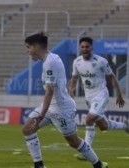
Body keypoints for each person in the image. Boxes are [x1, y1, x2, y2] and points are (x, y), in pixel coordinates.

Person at [22, 32, 108, 168]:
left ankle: (98, 164)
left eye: (28, 47)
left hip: (61, 110)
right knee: (27, 129)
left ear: (37, 46)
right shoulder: (51, 58)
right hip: (51, 106)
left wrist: (41, 115)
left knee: (74, 142)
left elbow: (49, 92)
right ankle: (39, 165)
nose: (27, 51)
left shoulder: (50, 63)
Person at [68, 37, 129, 160]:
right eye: (82, 47)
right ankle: (125, 126)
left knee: (89, 119)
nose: (84, 49)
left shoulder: (101, 61)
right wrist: (71, 91)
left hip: (101, 95)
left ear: (91, 48)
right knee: (103, 125)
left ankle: (86, 151)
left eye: (87, 47)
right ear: (80, 48)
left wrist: (119, 94)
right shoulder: (77, 62)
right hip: (89, 97)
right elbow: (74, 78)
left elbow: (111, 77)